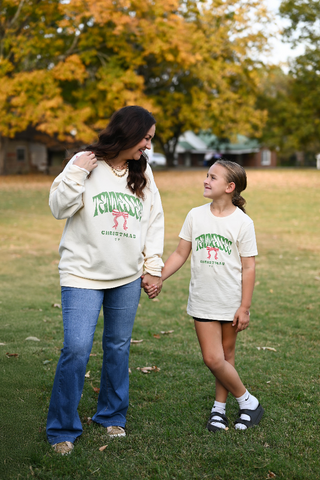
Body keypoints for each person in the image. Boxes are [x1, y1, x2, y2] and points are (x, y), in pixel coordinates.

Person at [46, 106, 164, 455]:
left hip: (126, 276)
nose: (147, 145)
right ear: (127, 132)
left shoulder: (143, 172)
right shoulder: (84, 161)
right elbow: (58, 207)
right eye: (145, 138)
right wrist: (77, 173)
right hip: (82, 273)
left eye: (150, 140)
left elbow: (153, 220)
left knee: (118, 346)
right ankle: (62, 428)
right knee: (77, 348)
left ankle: (112, 414)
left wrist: (152, 265)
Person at [148, 160, 263, 432]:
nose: (206, 180)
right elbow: (179, 253)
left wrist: (244, 307)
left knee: (226, 356)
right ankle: (248, 402)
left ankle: (219, 410)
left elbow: (249, 266)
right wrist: (159, 276)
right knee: (213, 359)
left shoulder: (243, 223)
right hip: (202, 299)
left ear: (229, 187)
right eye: (207, 175)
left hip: (230, 302)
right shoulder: (195, 215)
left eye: (213, 177)